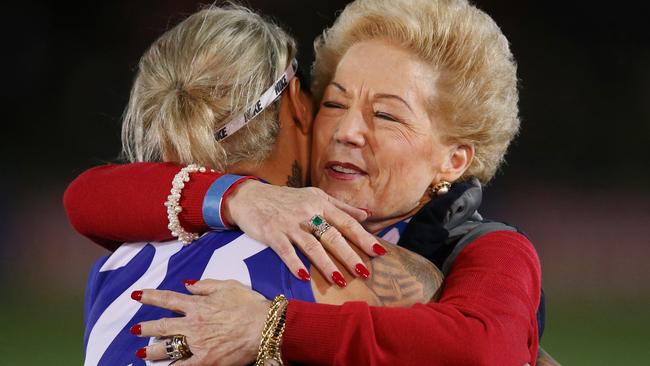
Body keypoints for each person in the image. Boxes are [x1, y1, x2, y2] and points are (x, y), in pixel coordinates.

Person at [65, 0, 555, 364]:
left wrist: (271, 325)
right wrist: (241, 197)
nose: (347, 132)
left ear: (453, 160)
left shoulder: (486, 250)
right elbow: (87, 199)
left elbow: (487, 350)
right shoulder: (261, 221)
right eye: (336, 103)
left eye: (386, 115)